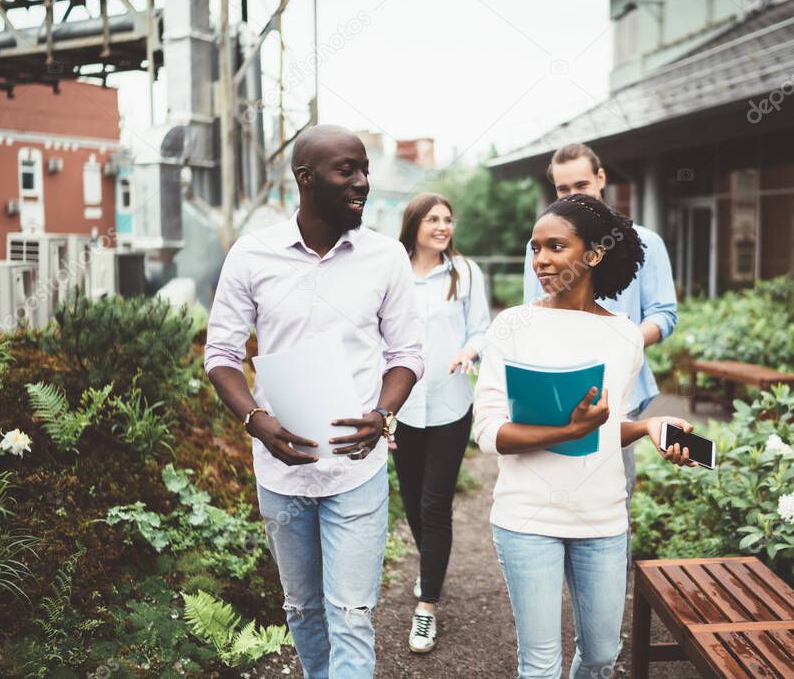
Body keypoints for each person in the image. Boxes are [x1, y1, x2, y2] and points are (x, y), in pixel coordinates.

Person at [204, 125, 423, 679]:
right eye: (347, 170)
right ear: (306, 179)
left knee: (350, 614)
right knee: (303, 610)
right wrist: (256, 421)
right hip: (282, 474)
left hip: (357, 467)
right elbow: (221, 353)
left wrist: (383, 414)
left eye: (365, 169)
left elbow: (407, 354)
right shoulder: (252, 255)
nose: (364, 183)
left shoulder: (387, 257)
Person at [474, 193, 697, 678]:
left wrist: (649, 427)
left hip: (601, 519)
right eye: (535, 248)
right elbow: (487, 431)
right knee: (539, 665)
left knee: (599, 656)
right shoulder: (512, 326)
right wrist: (563, 429)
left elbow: (602, 428)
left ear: (594, 254)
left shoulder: (624, 336)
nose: (541, 260)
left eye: (556, 246)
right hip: (527, 516)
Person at [522, 144, 678, 559]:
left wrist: (618, 344)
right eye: (562, 188)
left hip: (622, 387)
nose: (573, 196)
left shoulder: (644, 243)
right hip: (560, 383)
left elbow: (664, 314)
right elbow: (531, 314)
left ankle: (608, 579)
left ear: (602, 179)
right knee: (554, 479)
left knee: (612, 489)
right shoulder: (541, 247)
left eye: (582, 184)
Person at [393, 193, 490, 653]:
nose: (442, 226)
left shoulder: (466, 273)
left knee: (435, 504)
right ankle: (431, 566)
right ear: (413, 224)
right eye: (432, 219)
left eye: (448, 219)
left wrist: (470, 351)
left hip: (451, 404)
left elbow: (481, 329)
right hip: (403, 406)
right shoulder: (391, 272)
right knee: (412, 502)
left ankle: (427, 605)